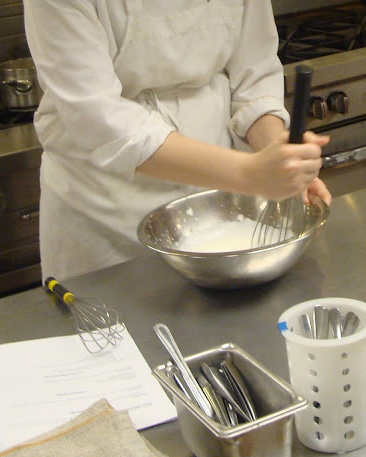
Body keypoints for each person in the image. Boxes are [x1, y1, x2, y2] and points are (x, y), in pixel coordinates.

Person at [23, 0, 332, 281]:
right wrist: (250, 173)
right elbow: (98, 118)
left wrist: (277, 160)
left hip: (222, 202)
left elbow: (255, 70)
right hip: (106, 209)